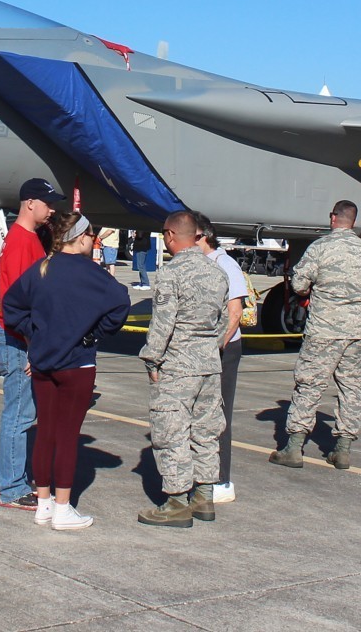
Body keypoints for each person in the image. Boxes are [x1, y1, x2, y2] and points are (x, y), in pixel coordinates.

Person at [1, 211, 129, 530]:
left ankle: (43, 503)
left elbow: (11, 306)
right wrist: (93, 333)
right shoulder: (93, 273)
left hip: (43, 362)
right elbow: (120, 304)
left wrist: (36, 333)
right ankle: (62, 508)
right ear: (83, 237)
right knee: (67, 436)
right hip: (77, 363)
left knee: (45, 432)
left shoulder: (41, 269)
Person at [269, 200, 361, 470]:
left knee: (309, 386)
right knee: (352, 390)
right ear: (354, 222)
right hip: (359, 333)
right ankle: (343, 450)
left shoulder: (320, 247)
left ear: (332, 218)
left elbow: (299, 285)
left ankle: (294, 448)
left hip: (324, 330)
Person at [137, 210, 228, 528]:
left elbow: (163, 323)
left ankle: (176, 502)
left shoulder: (170, 273)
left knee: (171, 432)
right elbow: (224, 322)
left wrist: (152, 359)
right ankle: (204, 497)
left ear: (171, 236)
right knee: (205, 432)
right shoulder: (217, 273)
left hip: (178, 365)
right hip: (209, 365)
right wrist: (208, 351)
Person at [0, 177, 66, 512]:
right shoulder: (23, 241)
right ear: (30, 203)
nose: (52, 209)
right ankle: (11, 487)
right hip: (17, 338)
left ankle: (9, 478)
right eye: (48, 203)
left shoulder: (26, 238)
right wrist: (34, 346)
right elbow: (17, 303)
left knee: (19, 412)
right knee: (20, 414)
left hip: (15, 335)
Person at [194, 213, 252, 500]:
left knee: (219, 413)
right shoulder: (199, 264)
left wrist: (217, 346)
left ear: (202, 236)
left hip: (223, 349)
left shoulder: (224, 263)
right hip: (202, 349)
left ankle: (220, 481)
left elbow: (235, 313)